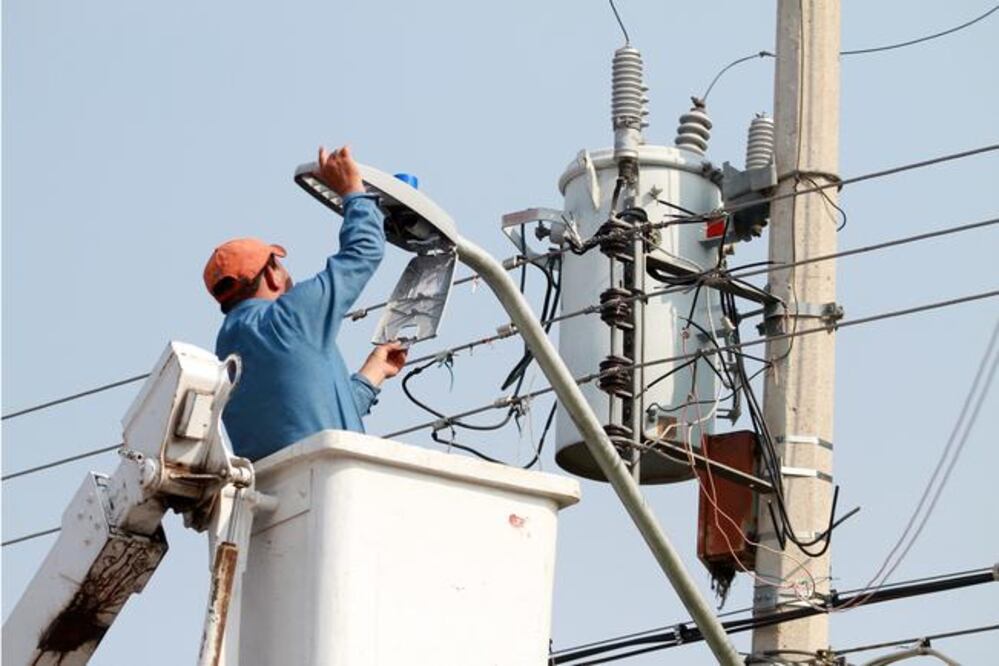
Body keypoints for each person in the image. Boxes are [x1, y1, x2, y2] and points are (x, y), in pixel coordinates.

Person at [202, 145, 407, 461]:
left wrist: (372, 374)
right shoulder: (291, 317)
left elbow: (314, 420)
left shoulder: (226, 350)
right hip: (335, 484)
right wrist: (353, 192)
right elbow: (364, 251)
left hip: (290, 499)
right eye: (280, 265)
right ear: (271, 274)